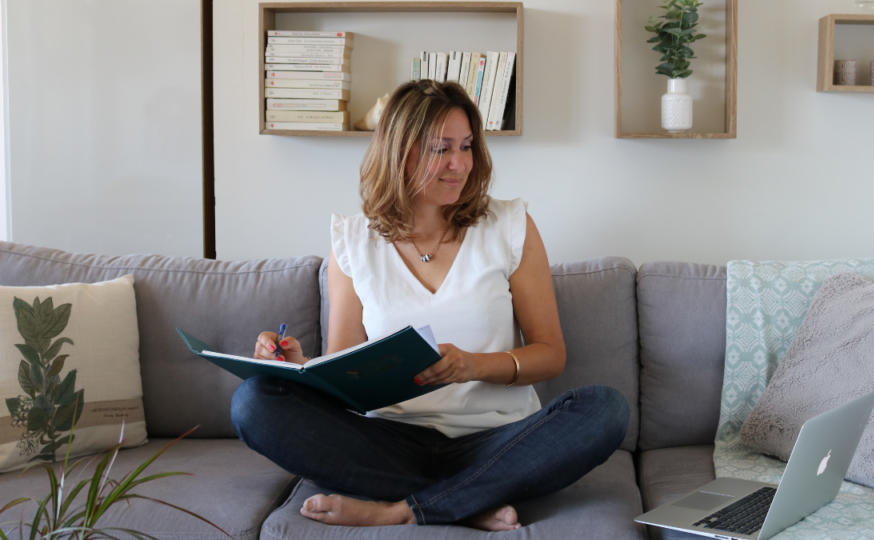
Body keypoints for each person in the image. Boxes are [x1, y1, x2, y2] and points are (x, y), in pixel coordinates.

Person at [230, 79, 629, 531]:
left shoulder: (510, 225)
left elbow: (550, 354)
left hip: (495, 439)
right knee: (252, 403)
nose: (459, 164)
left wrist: (474, 365)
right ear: (400, 153)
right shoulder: (353, 240)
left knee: (606, 408)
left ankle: (402, 508)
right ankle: (470, 498)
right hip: (388, 440)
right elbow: (345, 369)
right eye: (441, 149)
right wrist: (300, 366)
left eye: (466, 146)